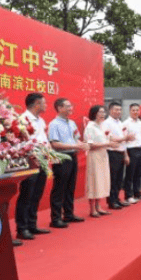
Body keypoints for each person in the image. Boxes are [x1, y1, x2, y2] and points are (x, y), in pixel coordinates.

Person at [15, 93, 51, 241]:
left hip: (42, 159)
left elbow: (43, 139)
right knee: (27, 194)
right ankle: (21, 228)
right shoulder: (23, 119)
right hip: (30, 161)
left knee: (37, 193)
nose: (46, 105)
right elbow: (22, 142)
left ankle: (32, 224)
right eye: (44, 103)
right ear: (37, 104)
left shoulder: (41, 120)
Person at [48, 98, 88, 228]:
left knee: (70, 187)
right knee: (59, 188)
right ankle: (56, 218)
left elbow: (77, 140)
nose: (71, 108)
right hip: (60, 157)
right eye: (68, 106)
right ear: (60, 108)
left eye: (71, 106)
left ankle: (69, 214)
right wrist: (75, 146)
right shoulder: (54, 124)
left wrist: (84, 145)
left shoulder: (71, 123)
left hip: (73, 156)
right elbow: (54, 143)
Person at [83, 105, 112, 217]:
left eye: (104, 112)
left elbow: (107, 139)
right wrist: (107, 144)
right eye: (100, 112)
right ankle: (92, 209)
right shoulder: (90, 127)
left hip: (103, 155)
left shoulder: (101, 126)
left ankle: (99, 206)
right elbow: (90, 144)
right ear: (94, 113)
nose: (103, 114)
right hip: (94, 156)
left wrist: (111, 143)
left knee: (102, 180)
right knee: (94, 181)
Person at [102, 101, 129, 210]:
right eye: (116, 109)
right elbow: (110, 138)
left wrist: (126, 155)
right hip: (112, 152)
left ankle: (117, 198)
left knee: (119, 178)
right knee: (113, 178)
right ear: (110, 110)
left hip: (121, 152)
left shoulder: (120, 123)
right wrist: (125, 138)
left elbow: (124, 141)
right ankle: (111, 201)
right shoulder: (106, 123)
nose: (118, 112)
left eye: (120, 110)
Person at [122, 103, 141, 203]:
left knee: (138, 174)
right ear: (129, 111)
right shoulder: (125, 123)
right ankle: (128, 196)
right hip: (131, 150)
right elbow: (123, 140)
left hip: (140, 149)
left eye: (137, 110)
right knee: (130, 174)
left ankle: (138, 194)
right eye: (133, 110)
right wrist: (126, 154)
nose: (135, 112)